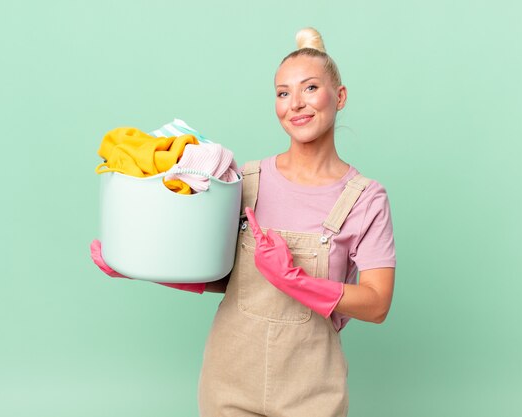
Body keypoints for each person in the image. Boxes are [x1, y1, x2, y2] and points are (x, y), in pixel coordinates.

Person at [91, 27, 395, 417]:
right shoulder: (244, 181)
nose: (295, 104)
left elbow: (377, 304)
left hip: (311, 388)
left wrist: (295, 280)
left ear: (340, 96)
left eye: (310, 88)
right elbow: (226, 278)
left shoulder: (365, 198)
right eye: (283, 93)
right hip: (229, 378)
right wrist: (137, 264)